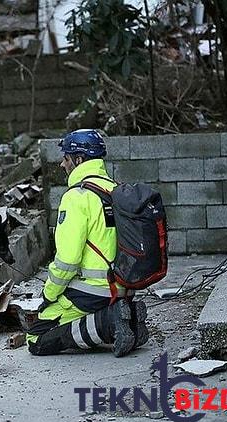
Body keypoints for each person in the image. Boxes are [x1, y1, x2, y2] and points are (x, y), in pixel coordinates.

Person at [26, 129, 148, 356]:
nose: (63, 164)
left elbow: (68, 260)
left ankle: (111, 324)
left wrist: (49, 295)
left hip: (92, 291)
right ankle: (125, 316)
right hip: (124, 286)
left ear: (79, 159)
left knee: (36, 339)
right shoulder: (115, 190)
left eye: (66, 158)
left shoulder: (76, 197)